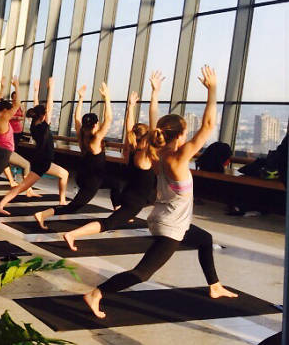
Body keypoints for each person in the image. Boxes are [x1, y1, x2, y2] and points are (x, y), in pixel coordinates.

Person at [83, 66, 237, 319]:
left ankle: (215, 285)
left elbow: (154, 121)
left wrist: (155, 93)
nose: (189, 136)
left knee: (204, 240)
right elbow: (209, 124)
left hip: (166, 217)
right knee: (142, 273)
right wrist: (212, 90)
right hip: (171, 226)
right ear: (180, 136)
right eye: (186, 132)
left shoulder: (158, 151)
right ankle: (97, 293)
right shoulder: (177, 158)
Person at [63, 72, 165, 250]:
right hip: (136, 200)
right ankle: (72, 234)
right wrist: (154, 94)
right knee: (108, 224)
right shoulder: (144, 155)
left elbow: (130, 128)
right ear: (147, 139)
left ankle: (149, 220)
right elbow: (152, 125)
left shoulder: (132, 149)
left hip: (134, 194)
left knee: (161, 198)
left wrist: (131, 107)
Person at [33, 82, 123, 228]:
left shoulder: (82, 135)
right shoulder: (96, 139)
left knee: (115, 184)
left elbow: (76, 118)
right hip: (92, 180)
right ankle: (43, 214)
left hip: (86, 176)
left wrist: (80, 99)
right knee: (73, 207)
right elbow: (109, 120)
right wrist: (107, 98)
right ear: (95, 125)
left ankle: (118, 210)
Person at [0, 78, 69, 215]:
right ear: (43, 116)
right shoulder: (44, 127)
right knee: (23, 186)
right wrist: (51, 88)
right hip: (43, 162)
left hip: (42, 160)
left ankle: (62, 201)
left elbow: (38, 106)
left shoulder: (35, 125)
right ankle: (0, 205)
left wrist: (35, 92)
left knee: (64, 174)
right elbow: (49, 106)